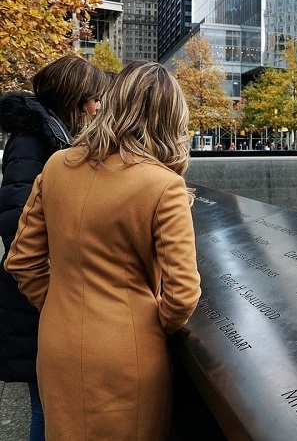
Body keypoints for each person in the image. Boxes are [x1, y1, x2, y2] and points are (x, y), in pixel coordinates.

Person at [4, 60, 202, 440]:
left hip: (57, 342)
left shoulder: (57, 166)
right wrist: (144, 325)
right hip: (127, 354)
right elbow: (182, 295)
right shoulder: (164, 186)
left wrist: (59, 303)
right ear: (170, 119)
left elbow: (22, 261)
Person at [0, 54, 108, 441]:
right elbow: (18, 226)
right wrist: (53, 296)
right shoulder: (34, 142)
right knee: (47, 411)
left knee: (52, 408)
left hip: (41, 299)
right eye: (95, 99)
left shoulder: (50, 137)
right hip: (35, 303)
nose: (98, 107)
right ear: (76, 99)